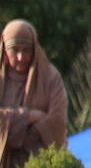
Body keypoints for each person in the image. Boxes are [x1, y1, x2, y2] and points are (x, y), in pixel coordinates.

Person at [0, 20, 67, 168]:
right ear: (5, 51)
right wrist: (30, 116)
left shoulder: (50, 78)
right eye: (15, 50)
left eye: (26, 50)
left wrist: (16, 131)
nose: (20, 57)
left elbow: (57, 121)